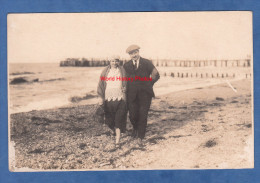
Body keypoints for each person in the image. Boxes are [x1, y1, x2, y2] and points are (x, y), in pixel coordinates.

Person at [123, 45, 160, 146]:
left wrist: (149, 83)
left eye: (135, 52)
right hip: (131, 94)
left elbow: (156, 74)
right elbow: (123, 79)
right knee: (133, 115)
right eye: (131, 54)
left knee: (143, 115)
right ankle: (135, 128)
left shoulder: (147, 62)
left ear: (138, 52)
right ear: (129, 55)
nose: (133, 55)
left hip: (145, 94)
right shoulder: (126, 66)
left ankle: (140, 136)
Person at [97, 56, 127, 148]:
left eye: (116, 61)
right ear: (109, 61)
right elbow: (100, 85)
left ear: (118, 62)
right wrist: (100, 97)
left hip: (120, 98)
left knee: (119, 119)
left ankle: (117, 141)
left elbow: (126, 82)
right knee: (109, 120)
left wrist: (125, 88)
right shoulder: (105, 71)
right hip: (108, 98)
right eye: (112, 61)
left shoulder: (122, 70)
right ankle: (113, 130)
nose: (114, 62)